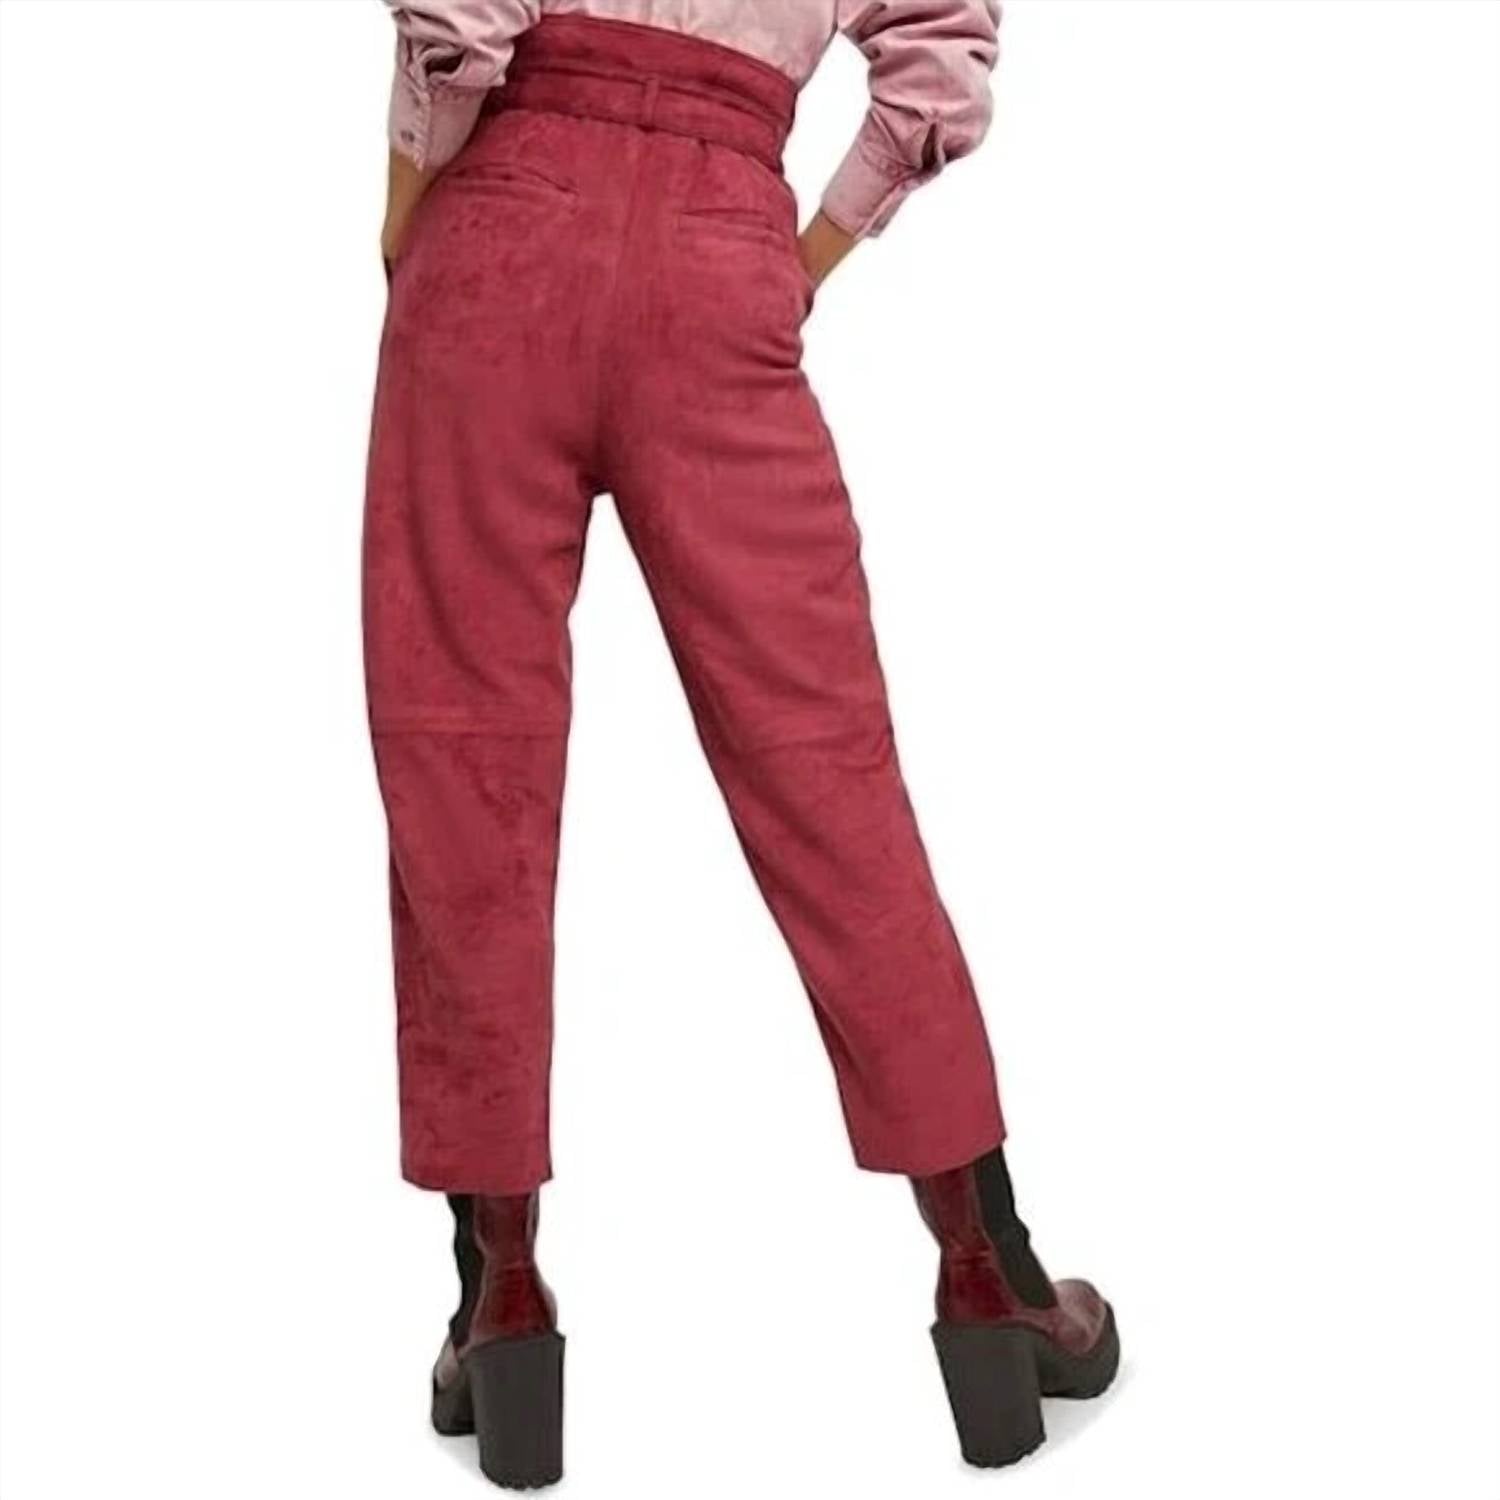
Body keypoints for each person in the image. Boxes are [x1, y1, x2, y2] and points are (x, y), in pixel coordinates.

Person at [368, 2, 1117, 1486]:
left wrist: (410, 208)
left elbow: (457, 22)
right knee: (828, 775)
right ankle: (989, 1269)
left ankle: (499, 1297)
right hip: (721, 243)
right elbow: (937, 55)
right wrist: (804, 251)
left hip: (500, 222)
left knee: (465, 768)